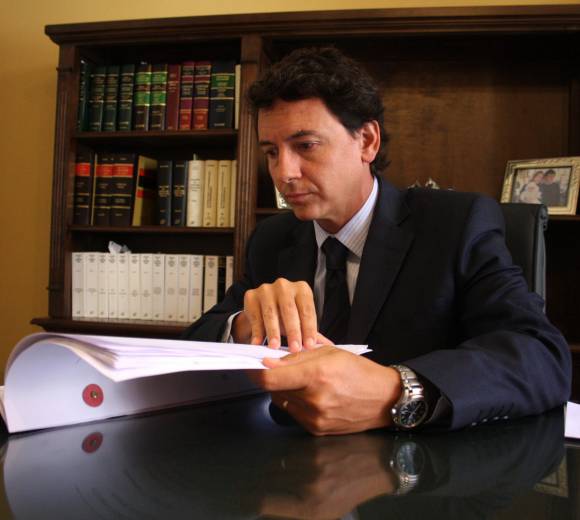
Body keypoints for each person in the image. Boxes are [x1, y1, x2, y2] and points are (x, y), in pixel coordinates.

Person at [183, 47, 571, 434]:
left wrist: (398, 390)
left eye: (305, 146)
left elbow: (541, 356)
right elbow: (197, 339)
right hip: (289, 459)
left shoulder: (456, 225)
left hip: (420, 462)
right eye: (271, 152)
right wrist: (246, 326)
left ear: (367, 141)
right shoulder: (272, 238)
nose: (283, 173)